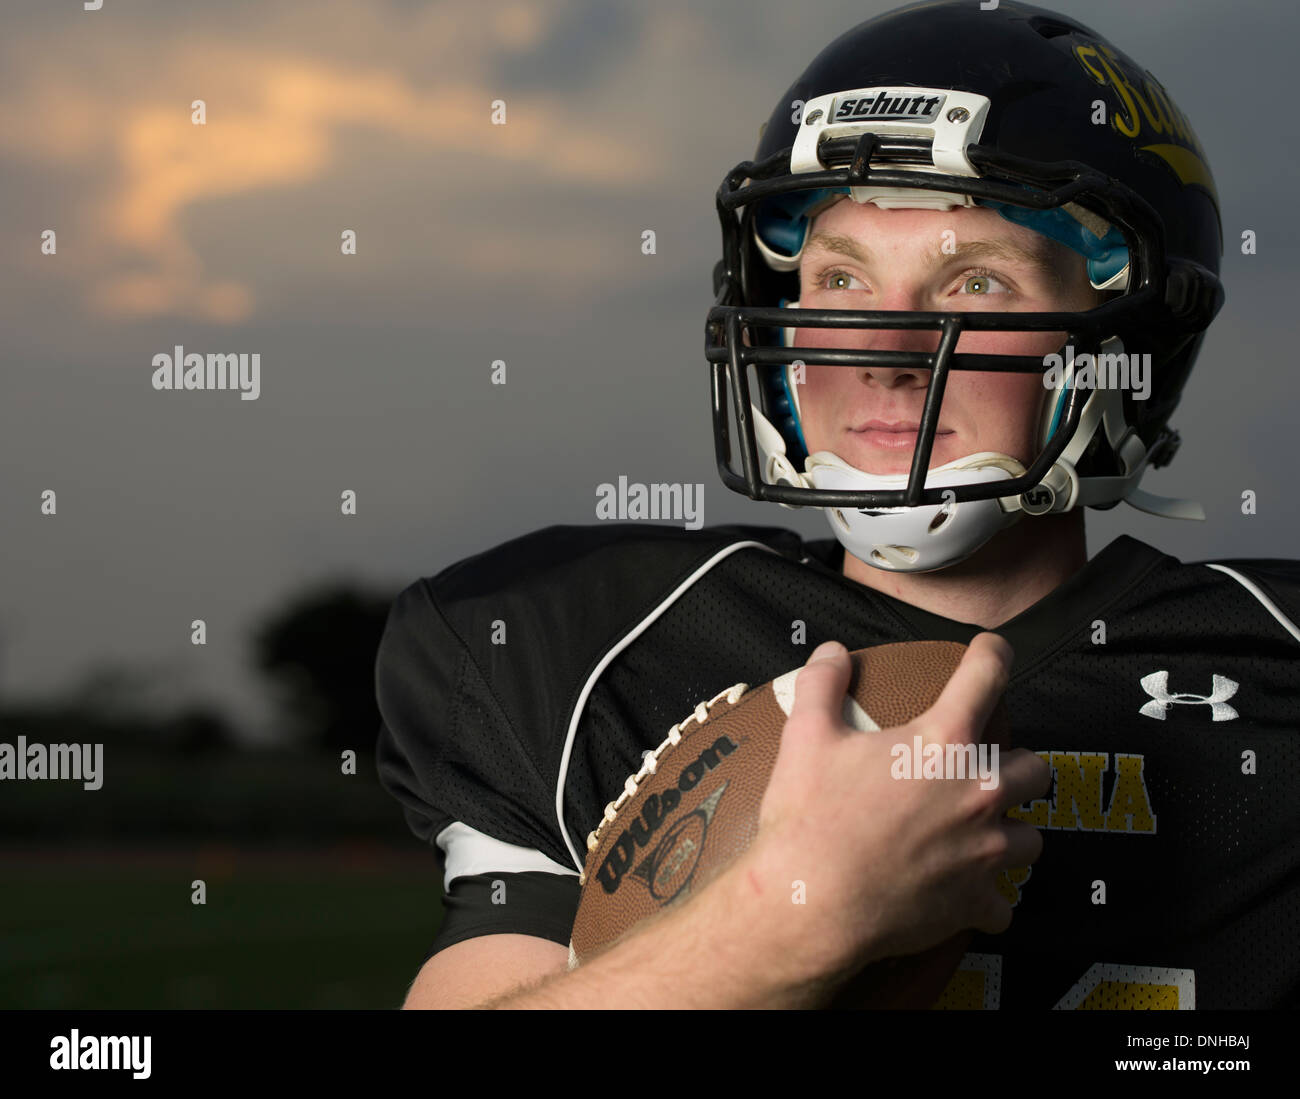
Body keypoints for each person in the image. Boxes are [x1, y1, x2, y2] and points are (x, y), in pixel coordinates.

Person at [376, 0, 1300, 1009]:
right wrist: (779, 926)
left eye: (976, 284)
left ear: (1122, 351)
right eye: (840, 278)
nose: (889, 356)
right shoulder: (595, 658)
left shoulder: (1270, 672)